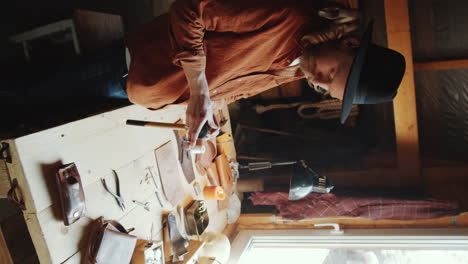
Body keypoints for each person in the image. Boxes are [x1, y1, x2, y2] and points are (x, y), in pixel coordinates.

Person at [7, 0, 405, 148]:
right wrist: (198, 89)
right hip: (129, 65)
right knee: (30, 92)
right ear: (349, 44)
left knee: (49, 116)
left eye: (325, 89)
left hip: (143, 93)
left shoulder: (296, 66)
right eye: (331, 73)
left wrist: (210, 105)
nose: (316, 81)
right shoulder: (288, 16)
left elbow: (232, 86)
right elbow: (190, 9)